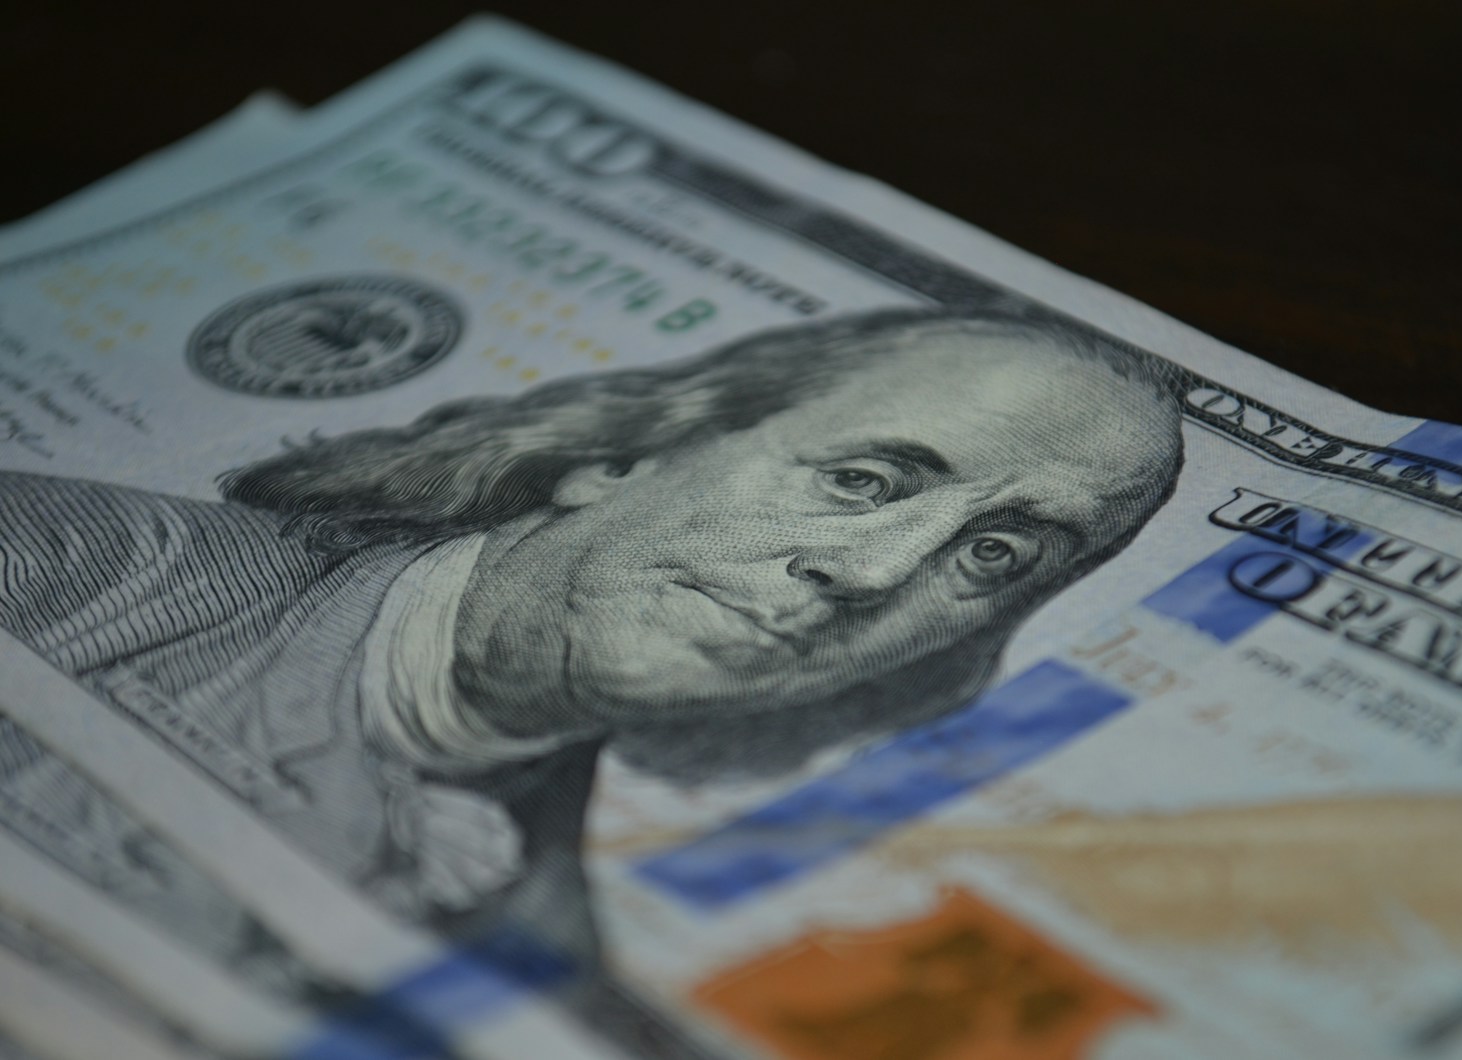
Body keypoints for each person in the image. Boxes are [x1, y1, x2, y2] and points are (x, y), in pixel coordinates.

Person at [0, 307, 1183, 1002]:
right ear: (624, 457)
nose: (876, 574)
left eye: (992, 557)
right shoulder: (68, 563)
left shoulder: (547, 957)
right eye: (862, 481)